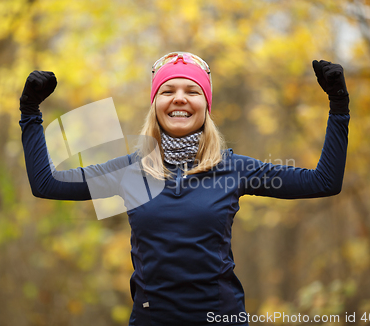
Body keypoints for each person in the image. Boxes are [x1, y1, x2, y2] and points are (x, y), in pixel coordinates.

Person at [18, 52, 350, 326]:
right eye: (168, 91)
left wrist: (338, 106)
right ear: (156, 104)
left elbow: (323, 182)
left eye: (192, 91)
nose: (179, 98)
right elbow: (47, 184)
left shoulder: (234, 169)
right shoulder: (129, 172)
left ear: (205, 105)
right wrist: (30, 113)